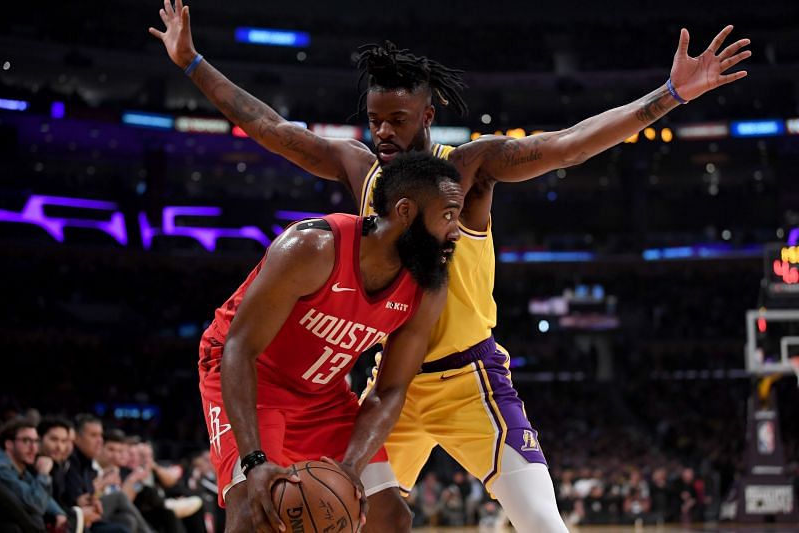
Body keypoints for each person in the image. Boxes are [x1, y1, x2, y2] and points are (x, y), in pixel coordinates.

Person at [150, 2, 751, 530]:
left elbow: (570, 143)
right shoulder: (362, 172)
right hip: (394, 384)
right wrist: (192, 62)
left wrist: (667, 97)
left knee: (543, 522)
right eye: (375, 119)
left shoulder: (472, 168)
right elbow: (269, 127)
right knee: (352, 512)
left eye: (398, 120)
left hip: (470, 380)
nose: (383, 132)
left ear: (428, 114)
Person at [195, 152, 462, 532]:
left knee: (390, 517)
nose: (456, 230)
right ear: (405, 211)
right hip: (250, 376)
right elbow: (240, 348)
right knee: (255, 516)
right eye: (448, 216)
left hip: (322, 394)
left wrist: (350, 467)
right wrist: (254, 461)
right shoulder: (313, 249)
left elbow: (389, 390)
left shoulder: (427, 287)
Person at [0, 418, 68, 530]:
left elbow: (45, 497)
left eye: (36, 441)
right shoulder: (2, 469)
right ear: (9, 444)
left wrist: (59, 513)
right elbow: (35, 505)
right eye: (26, 441)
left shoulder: (21, 468)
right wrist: (44, 474)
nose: (33, 448)